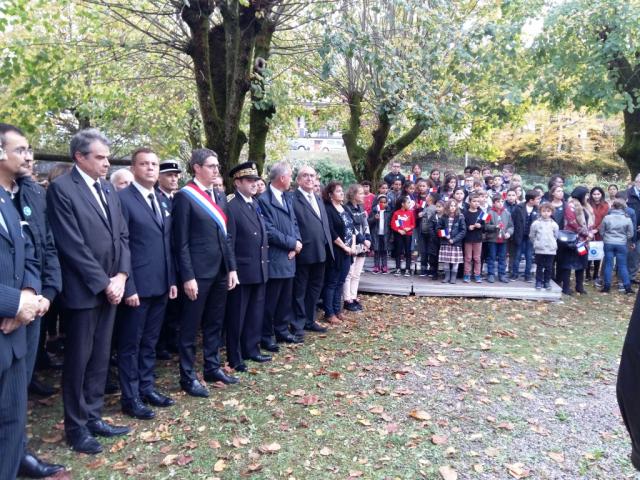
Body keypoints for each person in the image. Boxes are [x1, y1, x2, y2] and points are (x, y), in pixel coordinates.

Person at [47, 128, 131, 454]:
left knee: (100, 357)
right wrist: (105, 282)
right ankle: (76, 426)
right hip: (84, 290)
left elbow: (122, 235)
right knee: (79, 360)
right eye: (99, 157)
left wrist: (122, 275)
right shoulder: (62, 189)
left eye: (108, 157)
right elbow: (72, 245)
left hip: (112, 286)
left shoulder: (108, 189)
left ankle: (94, 416)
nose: (106, 163)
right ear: (79, 157)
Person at [0, 124, 65, 478]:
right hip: (8, 313)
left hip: (32, 305)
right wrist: (12, 304)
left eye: (29, 149)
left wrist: (38, 296)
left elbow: (38, 249)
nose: (29, 157)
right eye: (20, 149)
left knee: (15, 399)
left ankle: (16, 454)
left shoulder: (28, 194)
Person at [172, 148, 239, 398]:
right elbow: (181, 242)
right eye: (211, 166)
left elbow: (226, 237)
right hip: (197, 274)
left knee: (214, 323)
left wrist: (231, 267)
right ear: (197, 168)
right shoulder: (185, 197)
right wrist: (187, 276)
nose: (216, 170)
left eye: (217, 166)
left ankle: (212, 367)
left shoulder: (219, 196)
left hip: (220, 270)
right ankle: (187, 376)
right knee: (190, 327)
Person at [117, 148, 177, 420]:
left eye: (154, 164)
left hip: (161, 283)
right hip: (137, 287)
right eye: (144, 164)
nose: (151, 168)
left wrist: (172, 279)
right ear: (133, 168)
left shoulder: (161, 200)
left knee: (150, 342)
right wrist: (128, 286)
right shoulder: (122, 199)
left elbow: (167, 245)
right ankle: (130, 398)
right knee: (131, 344)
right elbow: (121, 245)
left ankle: (147, 387)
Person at [224, 162, 271, 372]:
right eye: (249, 180)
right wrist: (231, 269)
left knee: (255, 313)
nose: (254, 184)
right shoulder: (231, 205)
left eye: (256, 180)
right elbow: (229, 241)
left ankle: (251, 348)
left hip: (258, 268)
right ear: (237, 182)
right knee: (237, 316)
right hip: (242, 270)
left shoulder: (254, 203)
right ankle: (235, 356)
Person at [258, 162, 303, 345]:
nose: (291, 180)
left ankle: (282, 330)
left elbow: (294, 223)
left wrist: (297, 244)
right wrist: (292, 243)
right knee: (271, 301)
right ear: (282, 178)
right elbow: (268, 230)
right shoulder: (263, 200)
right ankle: (267, 336)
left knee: (285, 299)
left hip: (290, 257)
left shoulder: (286, 197)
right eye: (290, 176)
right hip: (274, 258)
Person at [290, 166, 333, 336]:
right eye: (305, 176)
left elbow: (324, 225)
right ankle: (298, 324)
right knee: (300, 291)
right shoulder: (292, 199)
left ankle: (309, 319)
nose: (309, 178)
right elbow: (293, 225)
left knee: (315, 289)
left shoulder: (318, 198)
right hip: (304, 252)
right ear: (298, 180)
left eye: (312, 176)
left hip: (321, 252)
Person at [155, 159, 182, 359]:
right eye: (169, 175)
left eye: (176, 175)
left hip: (178, 260)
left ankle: (172, 339)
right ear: (159, 177)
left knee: (175, 306)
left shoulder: (178, 198)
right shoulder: (156, 198)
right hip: (163, 260)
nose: (173, 179)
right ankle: (161, 344)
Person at [322, 181, 356, 324]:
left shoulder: (345, 208)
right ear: (330, 195)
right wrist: (344, 247)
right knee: (332, 283)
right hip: (336, 251)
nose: (342, 193)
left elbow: (352, 228)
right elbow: (331, 232)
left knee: (341, 281)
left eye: (342, 190)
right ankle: (329, 313)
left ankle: (338, 310)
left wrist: (352, 247)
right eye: (338, 191)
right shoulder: (328, 209)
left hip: (348, 252)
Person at [557, 187, 593, 295]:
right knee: (568, 263)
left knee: (582, 262)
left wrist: (589, 233)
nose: (588, 197)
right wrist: (586, 233)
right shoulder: (571, 205)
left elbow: (589, 222)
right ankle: (566, 287)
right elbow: (572, 221)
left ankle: (579, 286)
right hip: (571, 241)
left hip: (583, 242)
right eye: (586, 195)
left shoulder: (586, 206)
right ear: (581, 195)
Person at [599, 199, 634, 294]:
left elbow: (601, 231)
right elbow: (630, 234)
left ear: (613, 206)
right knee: (622, 266)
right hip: (621, 244)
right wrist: (623, 238)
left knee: (608, 265)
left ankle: (606, 286)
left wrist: (606, 237)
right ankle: (627, 287)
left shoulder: (607, 218)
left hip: (608, 243)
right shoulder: (627, 219)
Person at [510, 190, 541, 282]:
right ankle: (514, 274)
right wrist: (513, 235)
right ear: (531, 200)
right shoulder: (518, 208)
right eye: (537, 199)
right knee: (517, 256)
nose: (539, 200)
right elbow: (512, 221)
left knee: (529, 256)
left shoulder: (538, 209)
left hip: (531, 237)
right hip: (519, 236)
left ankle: (527, 276)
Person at [485, 194, 514, 283]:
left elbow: (511, 226)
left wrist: (509, 233)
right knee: (492, 257)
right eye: (498, 202)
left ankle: (502, 274)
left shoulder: (507, 213)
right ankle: (491, 274)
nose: (500, 203)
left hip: (503, 240)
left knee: (502, 257)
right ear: (494, 203)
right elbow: (486, 226)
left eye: (502, 201)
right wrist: (495, 227)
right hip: (493, 239)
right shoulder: (489, 213)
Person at [529, 203, 558, 290]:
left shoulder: (554, 224)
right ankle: (538, 281)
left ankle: (547, 282)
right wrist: (536, 243)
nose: (546, 213)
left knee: (549, 266)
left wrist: (552, 243)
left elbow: (556, 236)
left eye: (548, 211)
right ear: (540, 212)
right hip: (540, 249)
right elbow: (532, 235)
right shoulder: (536, 223)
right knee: (539, 266)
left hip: (550, 249)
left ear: (551, 212)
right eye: (544, 211)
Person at [437, 199, 466, 284]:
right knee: (446, 260)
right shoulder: (443, 217)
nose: (452, 208)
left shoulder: (460, 217)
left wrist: (454, 239)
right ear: (447, 207)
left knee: (455, 261)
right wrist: (445, 235)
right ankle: (447, 276)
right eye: (450, 206)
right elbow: (438, 228)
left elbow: (463, 231)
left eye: (454, 206)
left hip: (456, 243)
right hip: (445, 242)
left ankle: (453, 277)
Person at [587, 186, 609, 286]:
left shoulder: (605, 205)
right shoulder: (587, 203)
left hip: (599, 232)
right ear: (591, 195)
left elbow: (605, 219)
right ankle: (587, 273)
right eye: (594, 194)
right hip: (588, 231)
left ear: (601, 195)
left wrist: (597, 229)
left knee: (597, 253)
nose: (596, 196)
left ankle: (596, 273)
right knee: (587, 252)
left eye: (598, 194)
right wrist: (590, 229)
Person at [390, 196, 415, 277]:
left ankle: (407, 269)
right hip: (399, 234)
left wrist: (409, 228)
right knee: (398, 251)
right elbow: (393, 224)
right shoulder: (396, 213)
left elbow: (413, 224)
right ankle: (398, 268)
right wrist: (399, 230)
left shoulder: (410, 212)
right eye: (408, 202)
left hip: (408, 234)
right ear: (402, 204)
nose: (409, 204)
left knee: (408, 251)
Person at [462, 193, 485, 283]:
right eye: (474, 201)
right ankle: (467, 274)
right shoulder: (465, 213)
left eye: (478, 202)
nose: (476, 203)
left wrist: (480, 225)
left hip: (478, 239)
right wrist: (468, 227)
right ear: (469, 202)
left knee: (477, 258)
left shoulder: (482, 213)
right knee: (468, 258)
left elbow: (485, 226)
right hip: (468, 239)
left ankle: (477, 275)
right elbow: (463, 225)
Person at [369, 194, 390, 274]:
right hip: (376, 234)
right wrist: (374, 218)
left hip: (385, 234)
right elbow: (368, 222)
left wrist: (391, 236)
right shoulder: (374, 211)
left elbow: (390, 224)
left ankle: (384, 266)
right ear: (378, 203)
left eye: (385, 202)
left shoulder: (388, 212)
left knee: (384, 250)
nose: (383, 204)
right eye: (381, 202)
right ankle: (376, 266)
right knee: (376, 250)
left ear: (387, 203)